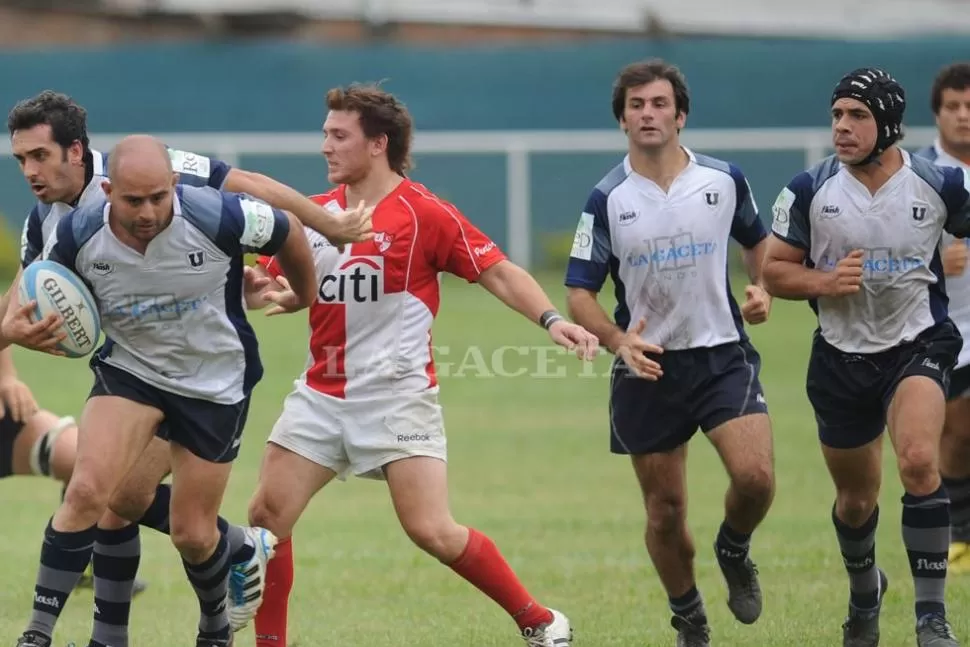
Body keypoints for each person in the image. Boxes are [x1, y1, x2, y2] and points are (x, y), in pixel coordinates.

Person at [3, 89, 373, 643]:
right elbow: (23, 301)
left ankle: (228, 564)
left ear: (76, 152)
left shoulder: (156, 169)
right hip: (131, 367)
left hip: (210, 373)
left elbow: (251, 190)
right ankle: (96, 636)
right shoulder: (49, 227)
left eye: (39, 156)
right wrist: (12, 347)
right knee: (101, 497)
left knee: (185, 531)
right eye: (20, 160)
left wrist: (328, 227)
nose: (29, 171)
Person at [241, 83, 597, 647]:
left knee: (431, 530)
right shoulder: (314, 216)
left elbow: (498, 271)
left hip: (396, 396)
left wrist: (553, 321)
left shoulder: (424, 213)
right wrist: (258, 285)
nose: (326, 147)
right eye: (325, 134)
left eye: (339, 136)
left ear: (378, 143)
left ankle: (539, 621)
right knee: (266, 517)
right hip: (321, 394)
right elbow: (272, 281)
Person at [563, 59, 775, 647]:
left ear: (680, 115)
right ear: (622, 120)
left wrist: (761, 289)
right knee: (664, 511)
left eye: (658, 103)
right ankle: (689, 618)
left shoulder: (723, 179)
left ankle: (733, 547)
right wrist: (617, 340)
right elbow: (579, 290)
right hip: (647, 366)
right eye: (636, 105)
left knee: (755, 478)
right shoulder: (606, 198)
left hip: (721, 354)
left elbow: (758, 243)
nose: (647, 113)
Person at [763, 67, 969, 647]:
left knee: (919, 462)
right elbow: (773, 271)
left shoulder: (937, 184)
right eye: (837, 115)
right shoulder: (809, 189)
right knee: (856, 501)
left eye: (857, 116)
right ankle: (864, 594)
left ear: (888, 124)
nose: (843, 128)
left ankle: (932, 621)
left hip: (918, 343)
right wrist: (824, 282)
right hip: (841, 358)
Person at [915, 61, 970, 576]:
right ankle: (959, 535)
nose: (963, 116)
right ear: (937, 114)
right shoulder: (921, 175)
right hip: (946, 330)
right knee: (956, 433)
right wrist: (936, 256)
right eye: (953, 107)